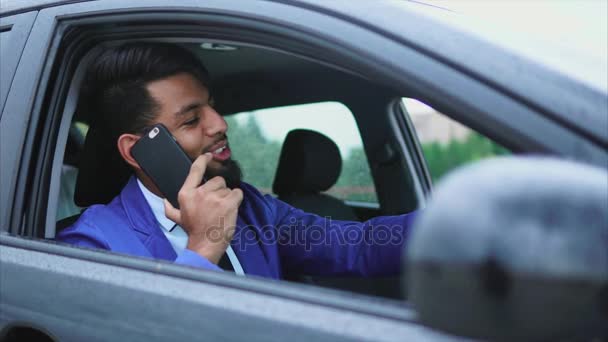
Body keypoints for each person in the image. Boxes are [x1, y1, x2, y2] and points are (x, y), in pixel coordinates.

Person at [58, 42, 418, 279]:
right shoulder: (91, 246)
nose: (219, 124)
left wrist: (461, 219)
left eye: (212, 106)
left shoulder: (251, 208)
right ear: (137, 150)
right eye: (191, 119)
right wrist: (203, 248)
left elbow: (360, 246)